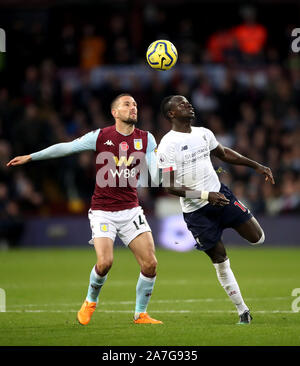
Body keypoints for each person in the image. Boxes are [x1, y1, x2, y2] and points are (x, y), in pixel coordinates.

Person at [7, 93, 163, 325]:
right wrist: (32, 157)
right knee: (105, 262)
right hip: (103, 210)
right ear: (115, 112)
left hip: (131, 210)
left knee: (150, 264)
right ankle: (90, 301)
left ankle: (140, 314)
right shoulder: (101, 136)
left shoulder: (146, 138)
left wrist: (166, 165)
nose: (133, 108)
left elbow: (157, 175)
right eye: (127, 104)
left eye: (135, 105)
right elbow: (67, 147)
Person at [157, 95, 275, 324]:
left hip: (221, 197)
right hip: (198, 211)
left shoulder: (203, 132)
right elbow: (169, 186)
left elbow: (224, 153)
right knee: (220, 259)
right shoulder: (167, 144)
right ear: (171, 114)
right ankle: (243, 311)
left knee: (258, 238)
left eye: (188, 102)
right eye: (181, 104)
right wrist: (204, 195)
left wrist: (256, 166)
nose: (188, 105)